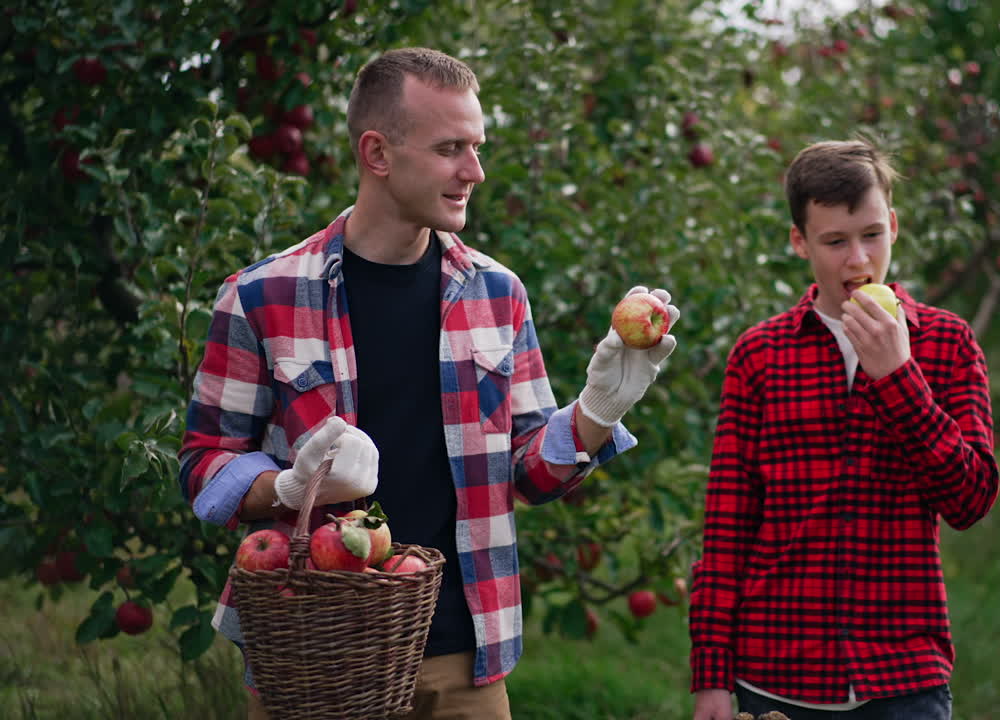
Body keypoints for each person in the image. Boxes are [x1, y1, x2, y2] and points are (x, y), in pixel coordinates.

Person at [177, 47, 679, 720]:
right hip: (314, 651)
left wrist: (594, 412)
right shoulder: (261, 296)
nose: (474, 170)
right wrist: (288, 488)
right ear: (378, 154)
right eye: (450, 149)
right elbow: (204, 465)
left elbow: (529, 474)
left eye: (476, 146)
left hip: (464, 653)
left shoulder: (499, 294)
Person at [688, 139, 998, 720]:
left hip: (903, 677)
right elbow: (727, 528)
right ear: (799, 241)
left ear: (894, 226)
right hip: (778, 675)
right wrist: (710, 676)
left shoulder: (947, 342)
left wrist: (899, 377)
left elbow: (970, 501)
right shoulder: (760, 355)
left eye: (872, 235)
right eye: (835, 242)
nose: (858, 260)